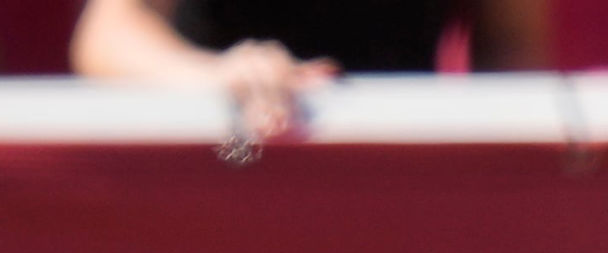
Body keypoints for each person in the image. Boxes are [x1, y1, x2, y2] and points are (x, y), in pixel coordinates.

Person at [69, 0, 539, 146]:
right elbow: (107, 33)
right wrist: (217, 75)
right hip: (224, 183)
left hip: (397, 204)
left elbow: (513, 46)